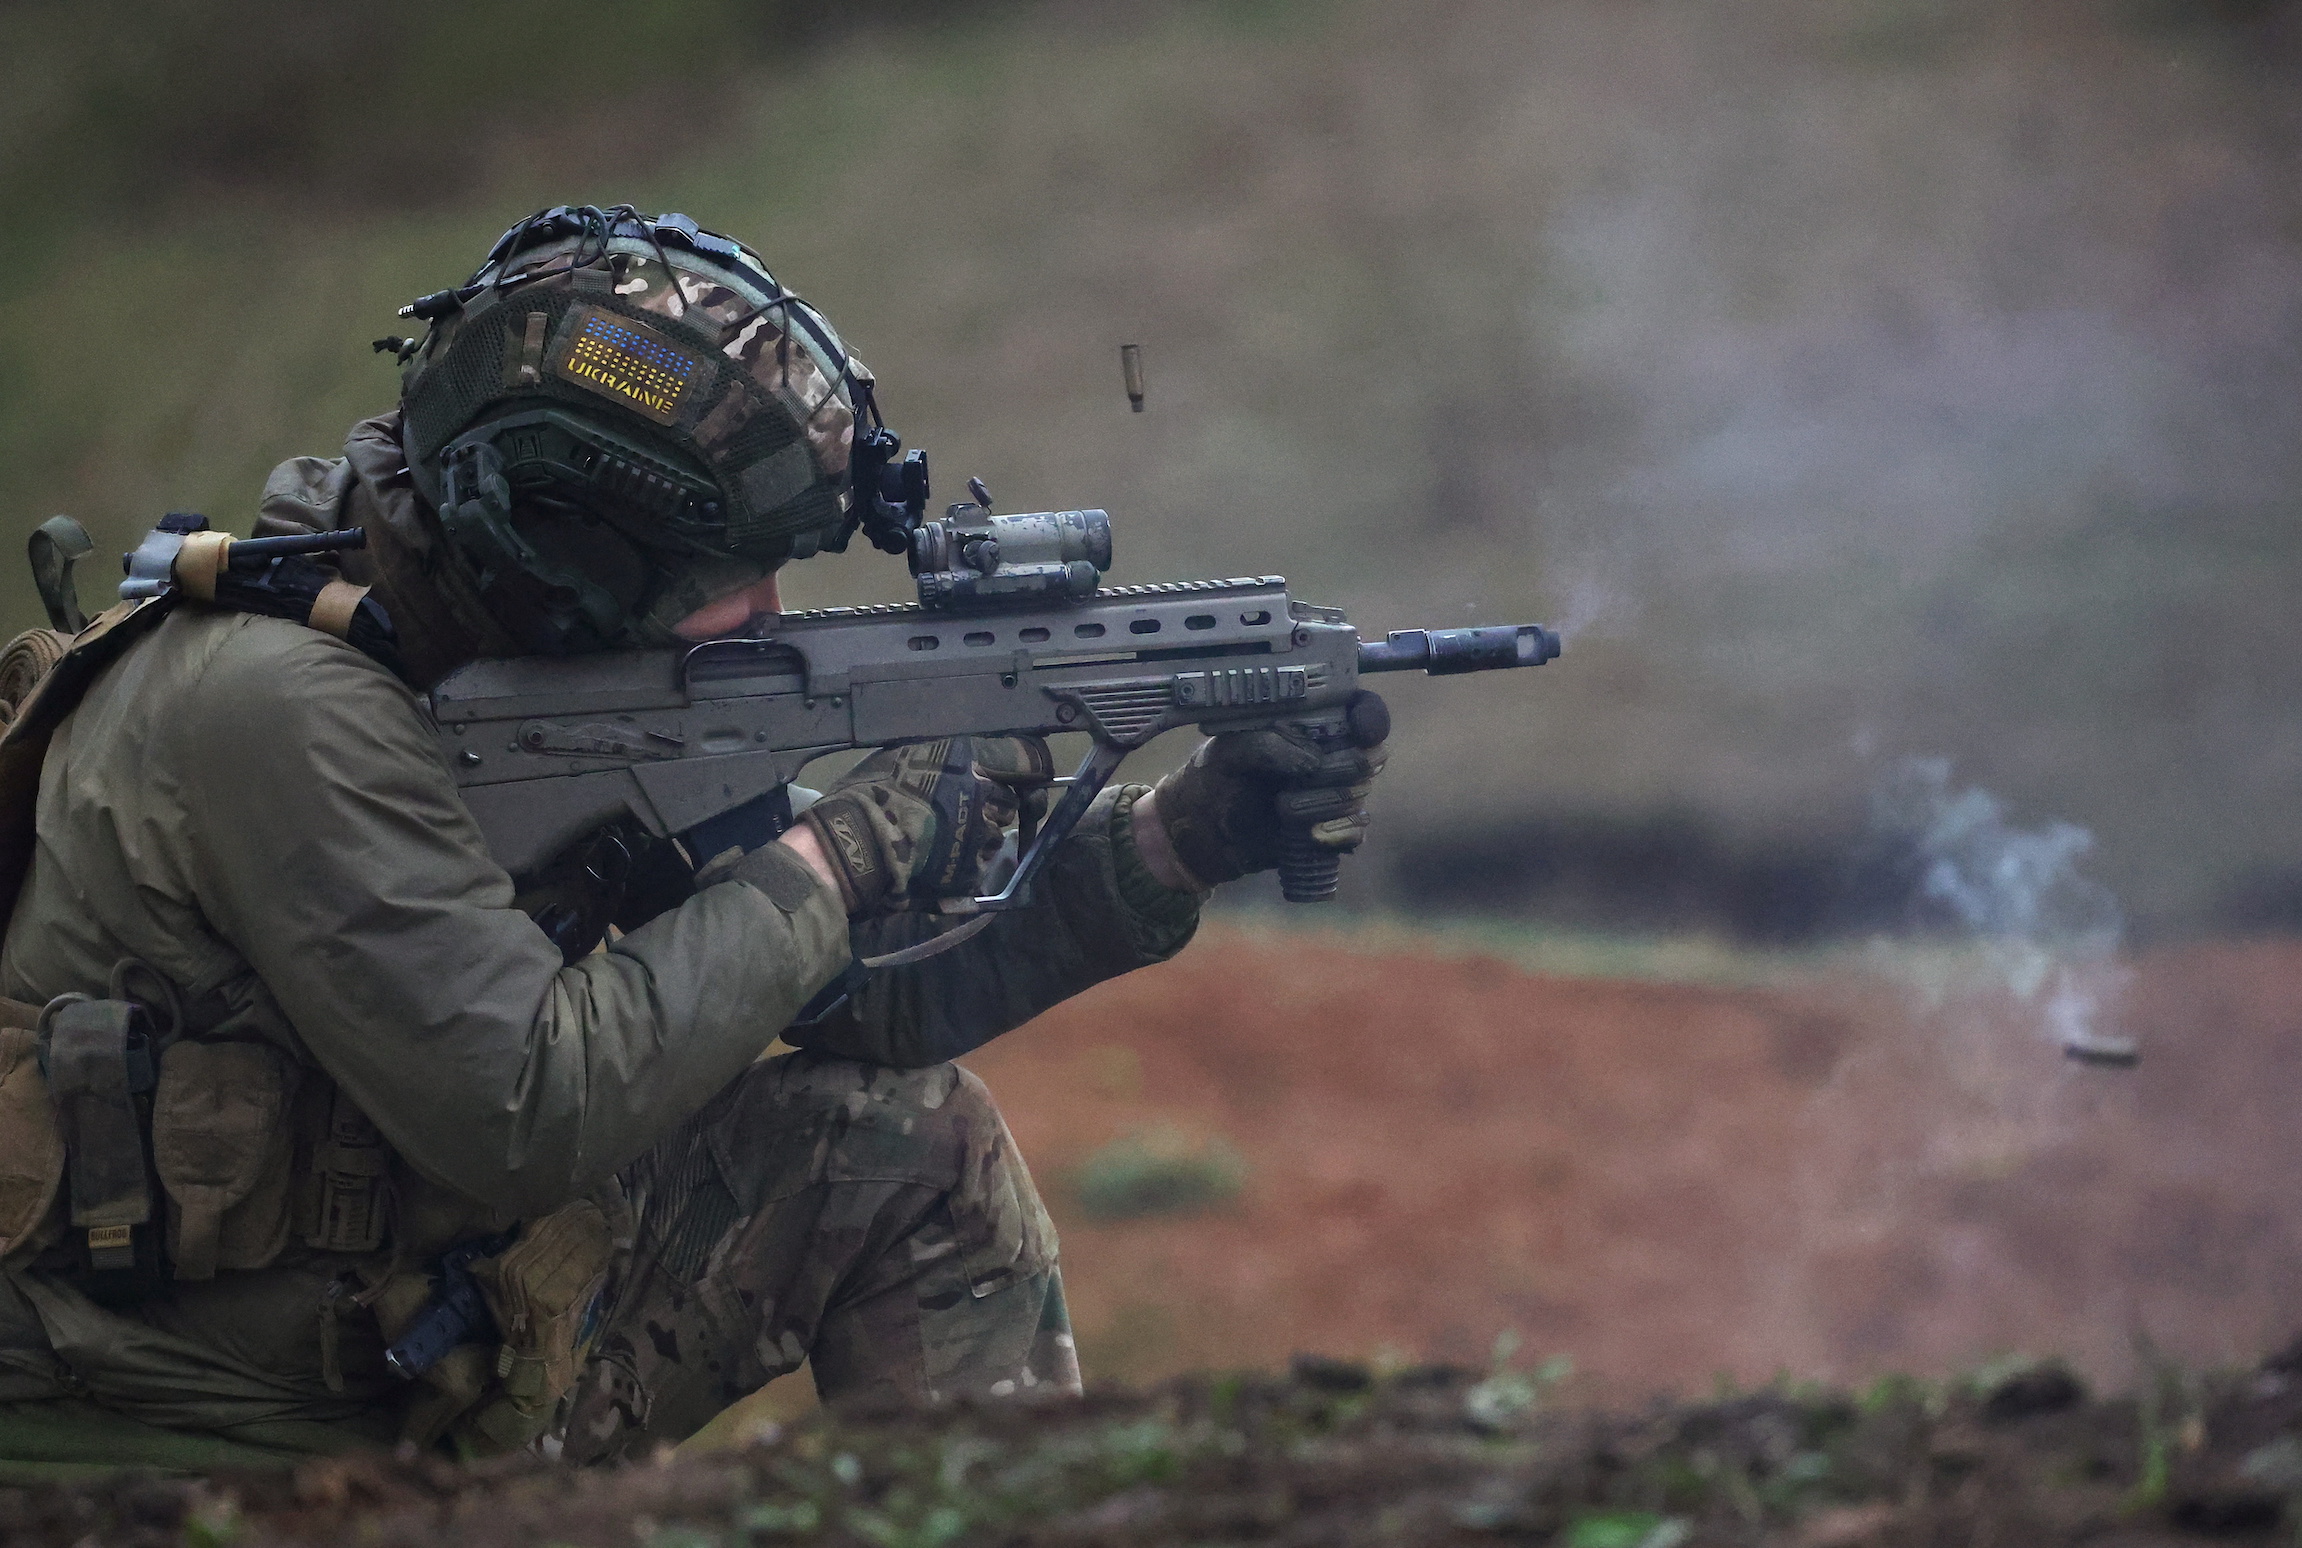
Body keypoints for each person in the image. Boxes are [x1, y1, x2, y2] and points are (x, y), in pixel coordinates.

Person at [0, 206, 1383, 1470]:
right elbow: (526, 1113)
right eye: (734, 576)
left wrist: (1181, 840)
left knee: (901, 1149)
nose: (775, 610)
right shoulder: (276, 710)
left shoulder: (493, 664)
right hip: (185, 1442)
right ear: (579, 562)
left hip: (419, 1359)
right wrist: (842, 852)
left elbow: (859, 998)